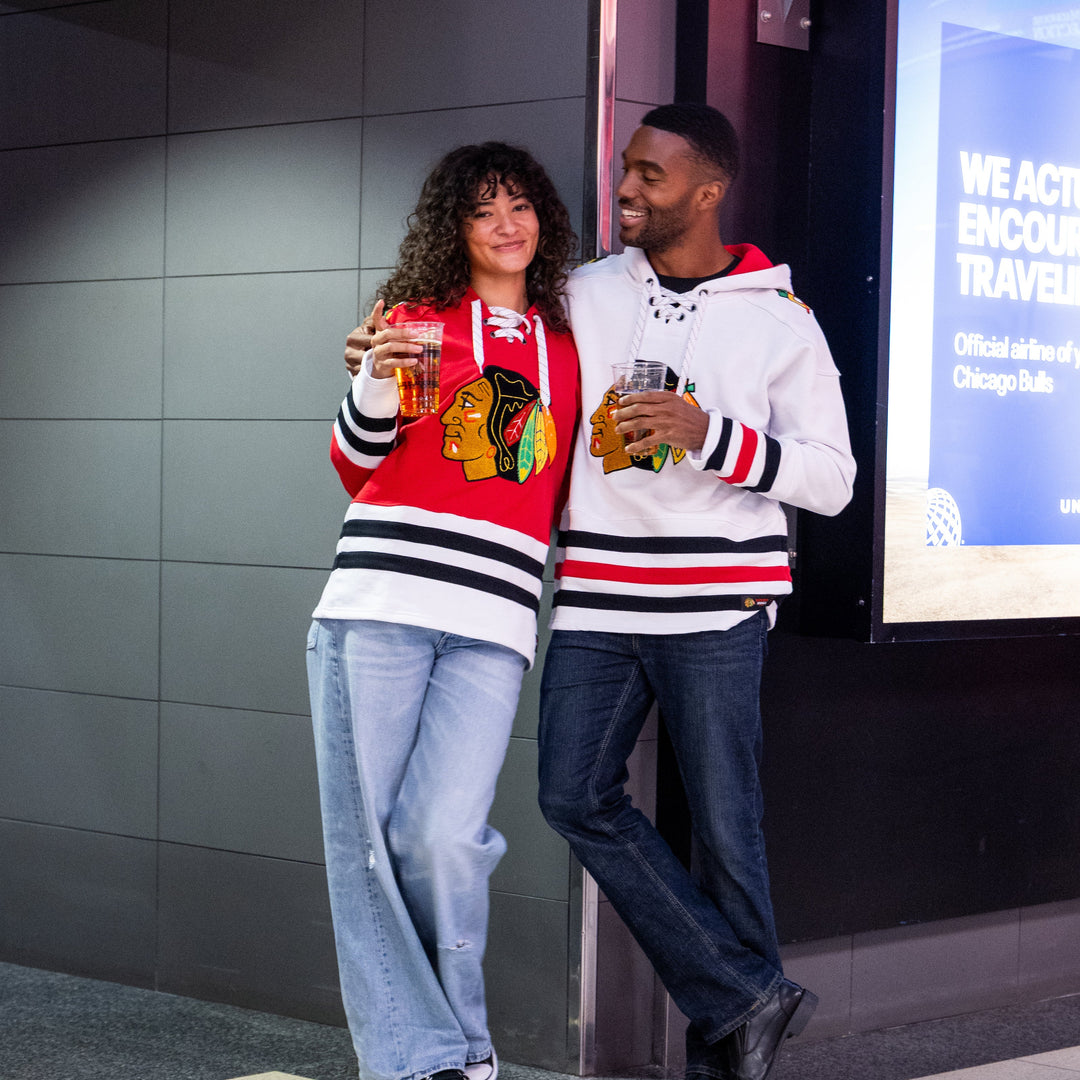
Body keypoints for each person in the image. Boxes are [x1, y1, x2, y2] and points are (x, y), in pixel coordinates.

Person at [536, 103, 856, 1080]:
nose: (626, 189)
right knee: (570, 795)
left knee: (726, 835)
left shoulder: (778, 317)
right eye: (626, 170)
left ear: (707, 193)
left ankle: (727, 1061)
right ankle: (745, 993)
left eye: (651, 177)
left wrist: (706, 433)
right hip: (596, 593)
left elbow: (832, 481)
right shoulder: (583, 292)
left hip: (717, 604)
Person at [307, 141, 579, 1080]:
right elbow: (354, 463)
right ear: (454, 229)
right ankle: (444, 1059)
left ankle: (444, 1044)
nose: (507, 226)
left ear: (542, 218)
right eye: (483, 210)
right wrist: (373, 375)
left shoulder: (568, 345)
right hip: (379, 600)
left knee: (442, 838)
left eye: (521, 207)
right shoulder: (415, 320)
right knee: (368, 847)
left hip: (497, 621)